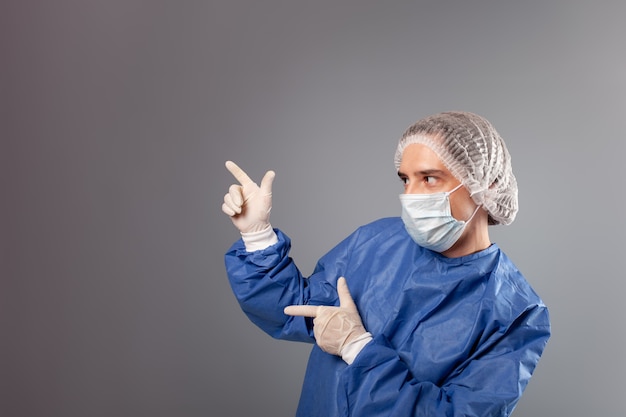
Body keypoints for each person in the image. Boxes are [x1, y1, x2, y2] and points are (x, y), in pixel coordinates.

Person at [221, 111, 550, 417]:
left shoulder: (516, 314)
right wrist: (257, 235)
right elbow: (297, 309)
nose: (412, 195)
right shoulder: (376, 242)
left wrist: (357, 349)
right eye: (405, 179)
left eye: (430, 178)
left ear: (487, 183)